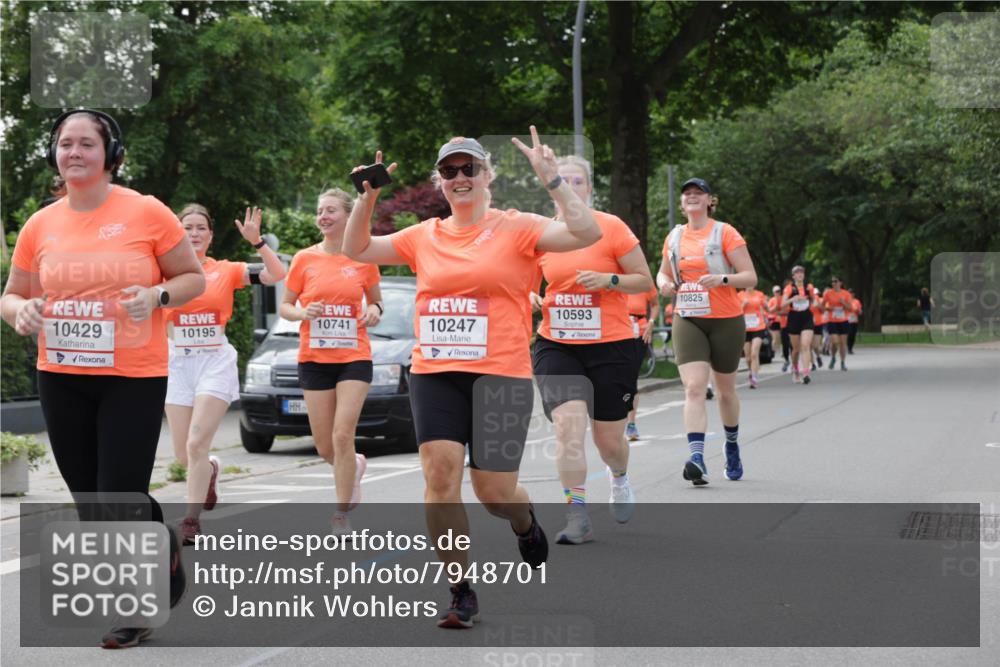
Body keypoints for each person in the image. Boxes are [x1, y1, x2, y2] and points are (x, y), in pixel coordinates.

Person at [342, 130, 601, 628]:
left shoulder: (519, 227)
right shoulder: (424, 235)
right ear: (440, 183)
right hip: (436, 372)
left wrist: (552, 180)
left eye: (469, 169)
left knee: (495, 493)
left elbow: (586, 233)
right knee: (439, 479)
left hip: (500, 373)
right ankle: (461, 589)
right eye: (450, 171)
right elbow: (358, 249)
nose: (459, 178)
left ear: (487, 176)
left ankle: (524, 523)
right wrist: (367, 198)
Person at [1, 109, 205, 648]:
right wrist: (19, 312)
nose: (74, 153)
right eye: (65, 143)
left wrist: (156, 295)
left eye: (86, 143)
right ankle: (162, 546)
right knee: (91, 499)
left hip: (132, 376)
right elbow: (12, 293)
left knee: (117, 493)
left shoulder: (147, 212)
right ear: (53, 154)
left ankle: (135, 610)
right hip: (62, 374)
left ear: (110, 153)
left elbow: (191, 278)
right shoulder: (40, 224)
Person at [531, 155, 654, 545]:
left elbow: (643, 280)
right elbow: (523, 283)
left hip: (611, 345)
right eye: (561, 180)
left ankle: (618, 477)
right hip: (558, 344)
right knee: (568, 427)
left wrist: (609, 279)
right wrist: (530, 297)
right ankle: (576, 513)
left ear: (588, 188)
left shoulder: (611, 227)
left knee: (609, 443)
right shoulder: (540, 233)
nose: (569, 187)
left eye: (577, 181)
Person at [165, 204, 286, 544]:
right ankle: (212, 470)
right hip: (176, 363)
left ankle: (190, 519)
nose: (193, 233)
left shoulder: (225, 270)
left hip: (214, 362)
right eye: (187, 227)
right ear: (177, 233)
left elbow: (276, 274)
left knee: (196, 442)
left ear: (211, 235)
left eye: (201, 227)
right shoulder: (162, 273)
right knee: (183, 455)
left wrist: (258, 243)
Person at [280, 188, 382, 536]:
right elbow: (286, 306)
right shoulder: (304, 259)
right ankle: (353, 466)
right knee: (326, 446)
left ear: (347, 216)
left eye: (331, 211)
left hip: (354, 356)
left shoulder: (364, 257)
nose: (323, 216)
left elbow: (377, 303)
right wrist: (302, 312)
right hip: (314, 358)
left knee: (342, 434)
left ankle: (340, 515)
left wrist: (373, 310)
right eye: (319, 210)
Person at [657, 178, 758, 485]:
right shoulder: (674, 236)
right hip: (688, 317)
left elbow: (750, 277)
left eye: (698, 194)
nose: (691, 197)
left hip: (726, 319)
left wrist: (723, 280)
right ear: (682, 202)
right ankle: (697, 458)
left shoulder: (725, 232)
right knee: (694, 388)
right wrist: (663, 284)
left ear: (709, 200)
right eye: (687, 194)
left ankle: (731, 445)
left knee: (726, 391)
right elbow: (663, 272)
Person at [625, 284, 659, 440]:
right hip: (617, 328)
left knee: (631, 378)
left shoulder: (644, 282)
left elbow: (655, 304)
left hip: (640, 329)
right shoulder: (614, 276)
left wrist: (651, 322)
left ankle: (631, 424)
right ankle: (615, 421)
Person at [782, 266, 820, 384]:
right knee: (796, 349)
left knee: (805, 345)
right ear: (793, 276)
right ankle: (795, 369)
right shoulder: (789, 288)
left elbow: (815, 300)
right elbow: (783, 304)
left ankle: (806, 373)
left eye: (801, 272)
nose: (799, 274)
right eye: (797, 273)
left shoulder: (809, 287)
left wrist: (816, 303)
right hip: (794, 318)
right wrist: (793, 299)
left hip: (806, 317)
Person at [740, 286, 769, 389]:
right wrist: (743, 304)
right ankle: (751, 372)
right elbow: (735, 311)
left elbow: (768, 309)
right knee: (747, 357)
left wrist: (766, 305)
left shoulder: (759, 294)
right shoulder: (740, 295)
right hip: (745, 328)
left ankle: (755, 378)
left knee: (754, 353)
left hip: (758, 326)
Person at [822, 276, 852, 371]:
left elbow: (850, 308)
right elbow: (822, 306)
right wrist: (828, 308)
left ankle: (842, 362)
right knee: (835, 342)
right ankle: (833, 357)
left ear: (840, 283)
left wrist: (843, 302)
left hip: (843, 320)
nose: (833, 283)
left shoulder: (846, 294)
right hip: (832, 320)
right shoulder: (828, 293)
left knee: (843, 343)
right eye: (832, 282)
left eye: (835, 281)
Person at [767, 285, 783, 363]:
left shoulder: (783, 299)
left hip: (781, 321)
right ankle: (772, 351)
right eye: (776, 291)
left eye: (779, 291)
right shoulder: (772, 300)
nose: (778, 292)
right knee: (775, 337)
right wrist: (775, 307)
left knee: (779, 338)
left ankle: (777, 351)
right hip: (773, 320)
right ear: (773, 292)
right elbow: (769, 310)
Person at [847, 289, 862, 353]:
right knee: (849, 334)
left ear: (853, 294)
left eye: (852, 293)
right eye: (849, 293)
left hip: (855, 320)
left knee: (853, 335)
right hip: (848, 320)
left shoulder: (857, 301)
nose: (851, 294)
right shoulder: (846, 301)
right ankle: (848, 347)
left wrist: (859, 311)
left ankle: (851, 348)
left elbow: (860, 310)